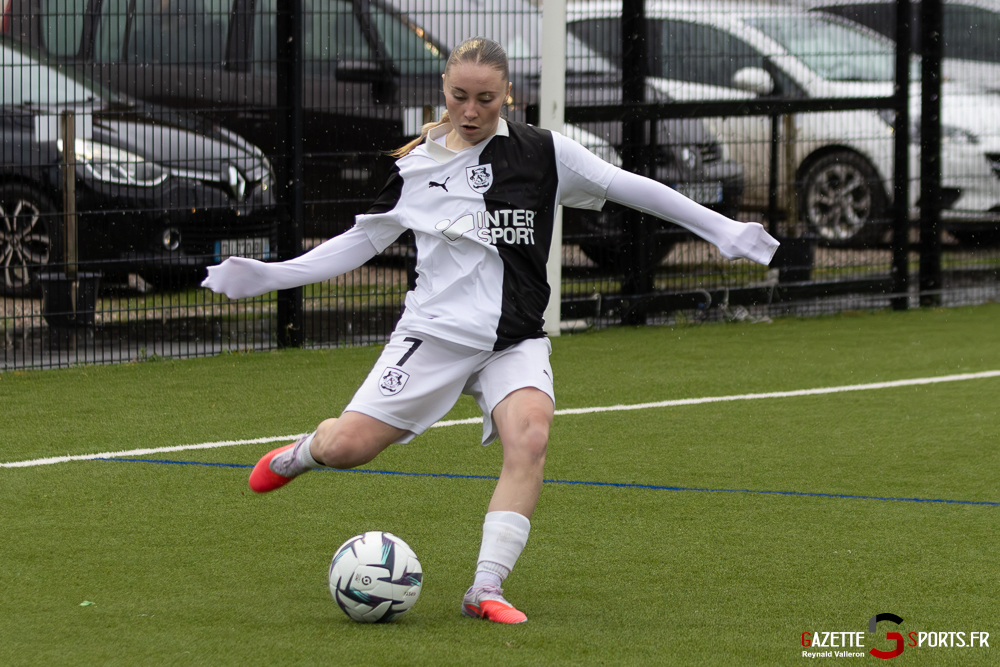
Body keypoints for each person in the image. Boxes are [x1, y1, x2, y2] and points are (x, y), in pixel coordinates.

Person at [202, 37, 778, 625]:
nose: (471, 111)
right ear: (443, 92)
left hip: (515, 340)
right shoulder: (416, 169)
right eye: (459, 97)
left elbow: (630, 186)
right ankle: (303, 453)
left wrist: (721, 228)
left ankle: (485, 588)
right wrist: (272, 275)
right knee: (345, 448)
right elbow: (358, 243)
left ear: (507, 95)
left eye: (485, 99)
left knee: (530, 438)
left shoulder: (543, 153)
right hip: (435, 335)